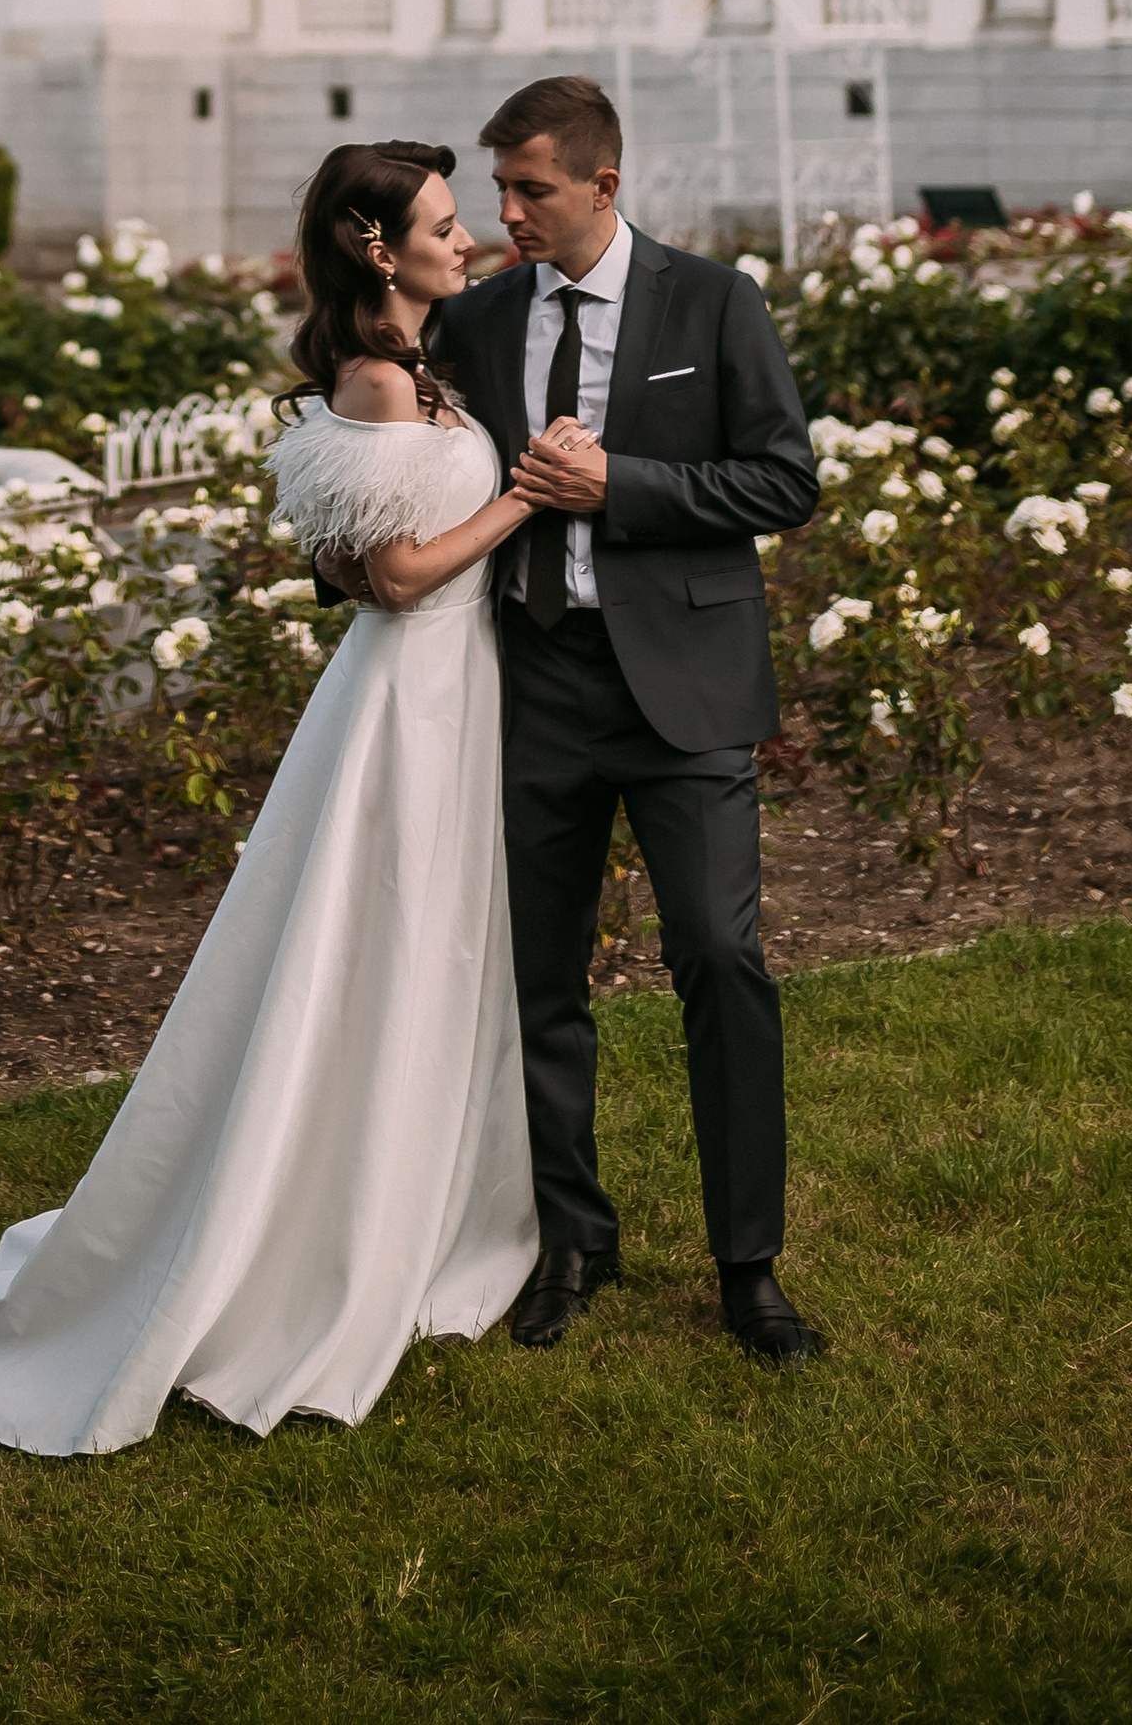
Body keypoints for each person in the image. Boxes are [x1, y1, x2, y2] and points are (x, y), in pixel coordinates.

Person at [0, 142, 540, 1454]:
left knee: (440, 954)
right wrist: (525, 496)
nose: (466, 236)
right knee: (381, 953)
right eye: (443, 221)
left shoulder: (420, 364)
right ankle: (315, 1246)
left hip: (458, 697)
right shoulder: (373, 380)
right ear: (379, 248)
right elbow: (392, 575)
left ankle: (426, 1213)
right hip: (406, 706)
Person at [427, 72, 824, 1367]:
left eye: (531, 188)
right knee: (541, 982)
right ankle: (571, 1241)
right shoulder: (478, 323)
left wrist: (619, 484)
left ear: (604, 184)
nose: (509, 212)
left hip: (684, 697)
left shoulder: (716, 304)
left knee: (720, 957)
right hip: (531, 683)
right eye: (499, 190)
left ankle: (747, 1265)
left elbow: (781, 479)